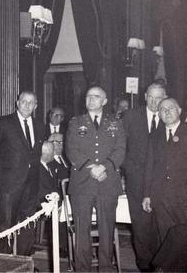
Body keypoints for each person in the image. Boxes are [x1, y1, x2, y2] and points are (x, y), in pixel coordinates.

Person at [66, 86, 126, 272]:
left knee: (107, 229)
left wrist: (105, 166)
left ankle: (106, 268)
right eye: (88, 96)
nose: (91, 99)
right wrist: (91, 168)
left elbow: (121, 149)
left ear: (105, 101)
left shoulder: (115, 122)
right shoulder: (75, 122)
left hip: (108, 183)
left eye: (96, 96)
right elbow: (71, 149)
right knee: (82, 231)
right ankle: (82, 269)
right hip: (82, 184)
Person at [0, 90, 45, 255]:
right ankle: (5, 264)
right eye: (24, 101)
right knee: (5, 226)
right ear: (17, 102)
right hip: (8, 186)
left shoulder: (39, 125)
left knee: (28, 225)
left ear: (36, 106)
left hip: (31, 184)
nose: (27, 105)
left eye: (31, 102)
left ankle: (24, 262)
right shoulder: (3, 123)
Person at [121, 82, 166, 271]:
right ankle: (144, 266)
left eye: (159, 98)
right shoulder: (130, 116)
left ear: (165, 98)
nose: (155, 102)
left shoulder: (169, 116)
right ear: (145, 96)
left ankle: (161, 263)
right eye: (151, 97)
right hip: (136, 180)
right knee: (140, 226)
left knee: (160, 225)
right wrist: (128, 170)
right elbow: (120, 146)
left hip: (163, 183)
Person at [142, 98, 187, 271]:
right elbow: (149, 167)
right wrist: (147, 194)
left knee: (183, 236)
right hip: (161, 198)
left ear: (180, 111)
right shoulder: (155, 136)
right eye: (162, 109)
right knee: (166, 238)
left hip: (183, 196)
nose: (166, 112)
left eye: (170, 108)